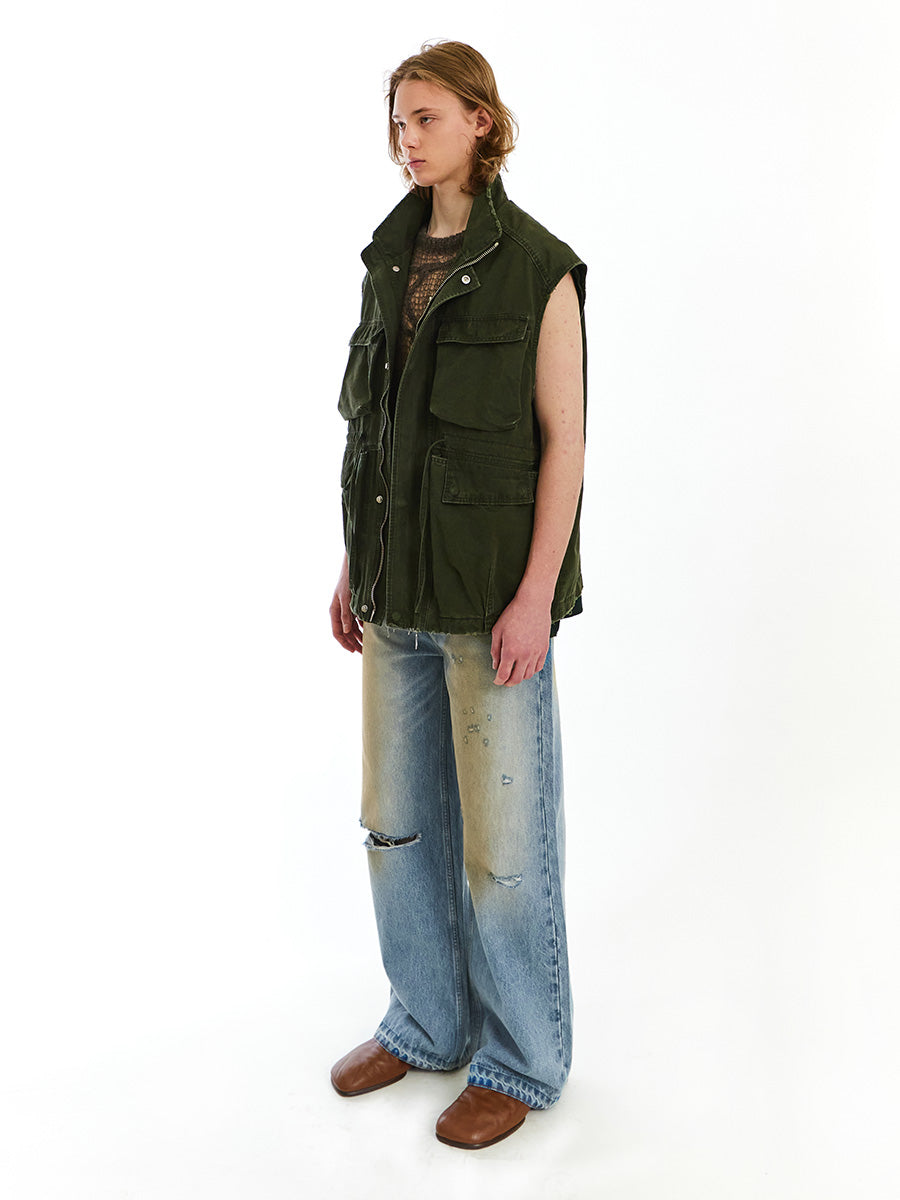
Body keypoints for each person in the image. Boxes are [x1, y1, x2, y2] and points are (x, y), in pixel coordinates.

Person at [328, 40, 587, 1150]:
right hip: (394, 601)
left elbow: (565, 442)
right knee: (397, 827)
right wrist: (355, 565)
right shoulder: (388, 259)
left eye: (425, 118)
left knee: (504, 853)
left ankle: (521, 1061)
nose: (407, 140)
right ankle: (427, 1021)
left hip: (490, 609)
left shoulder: (540, 269)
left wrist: (535, 598)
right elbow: (377, 437)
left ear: (481, 120)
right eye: (398, 122)